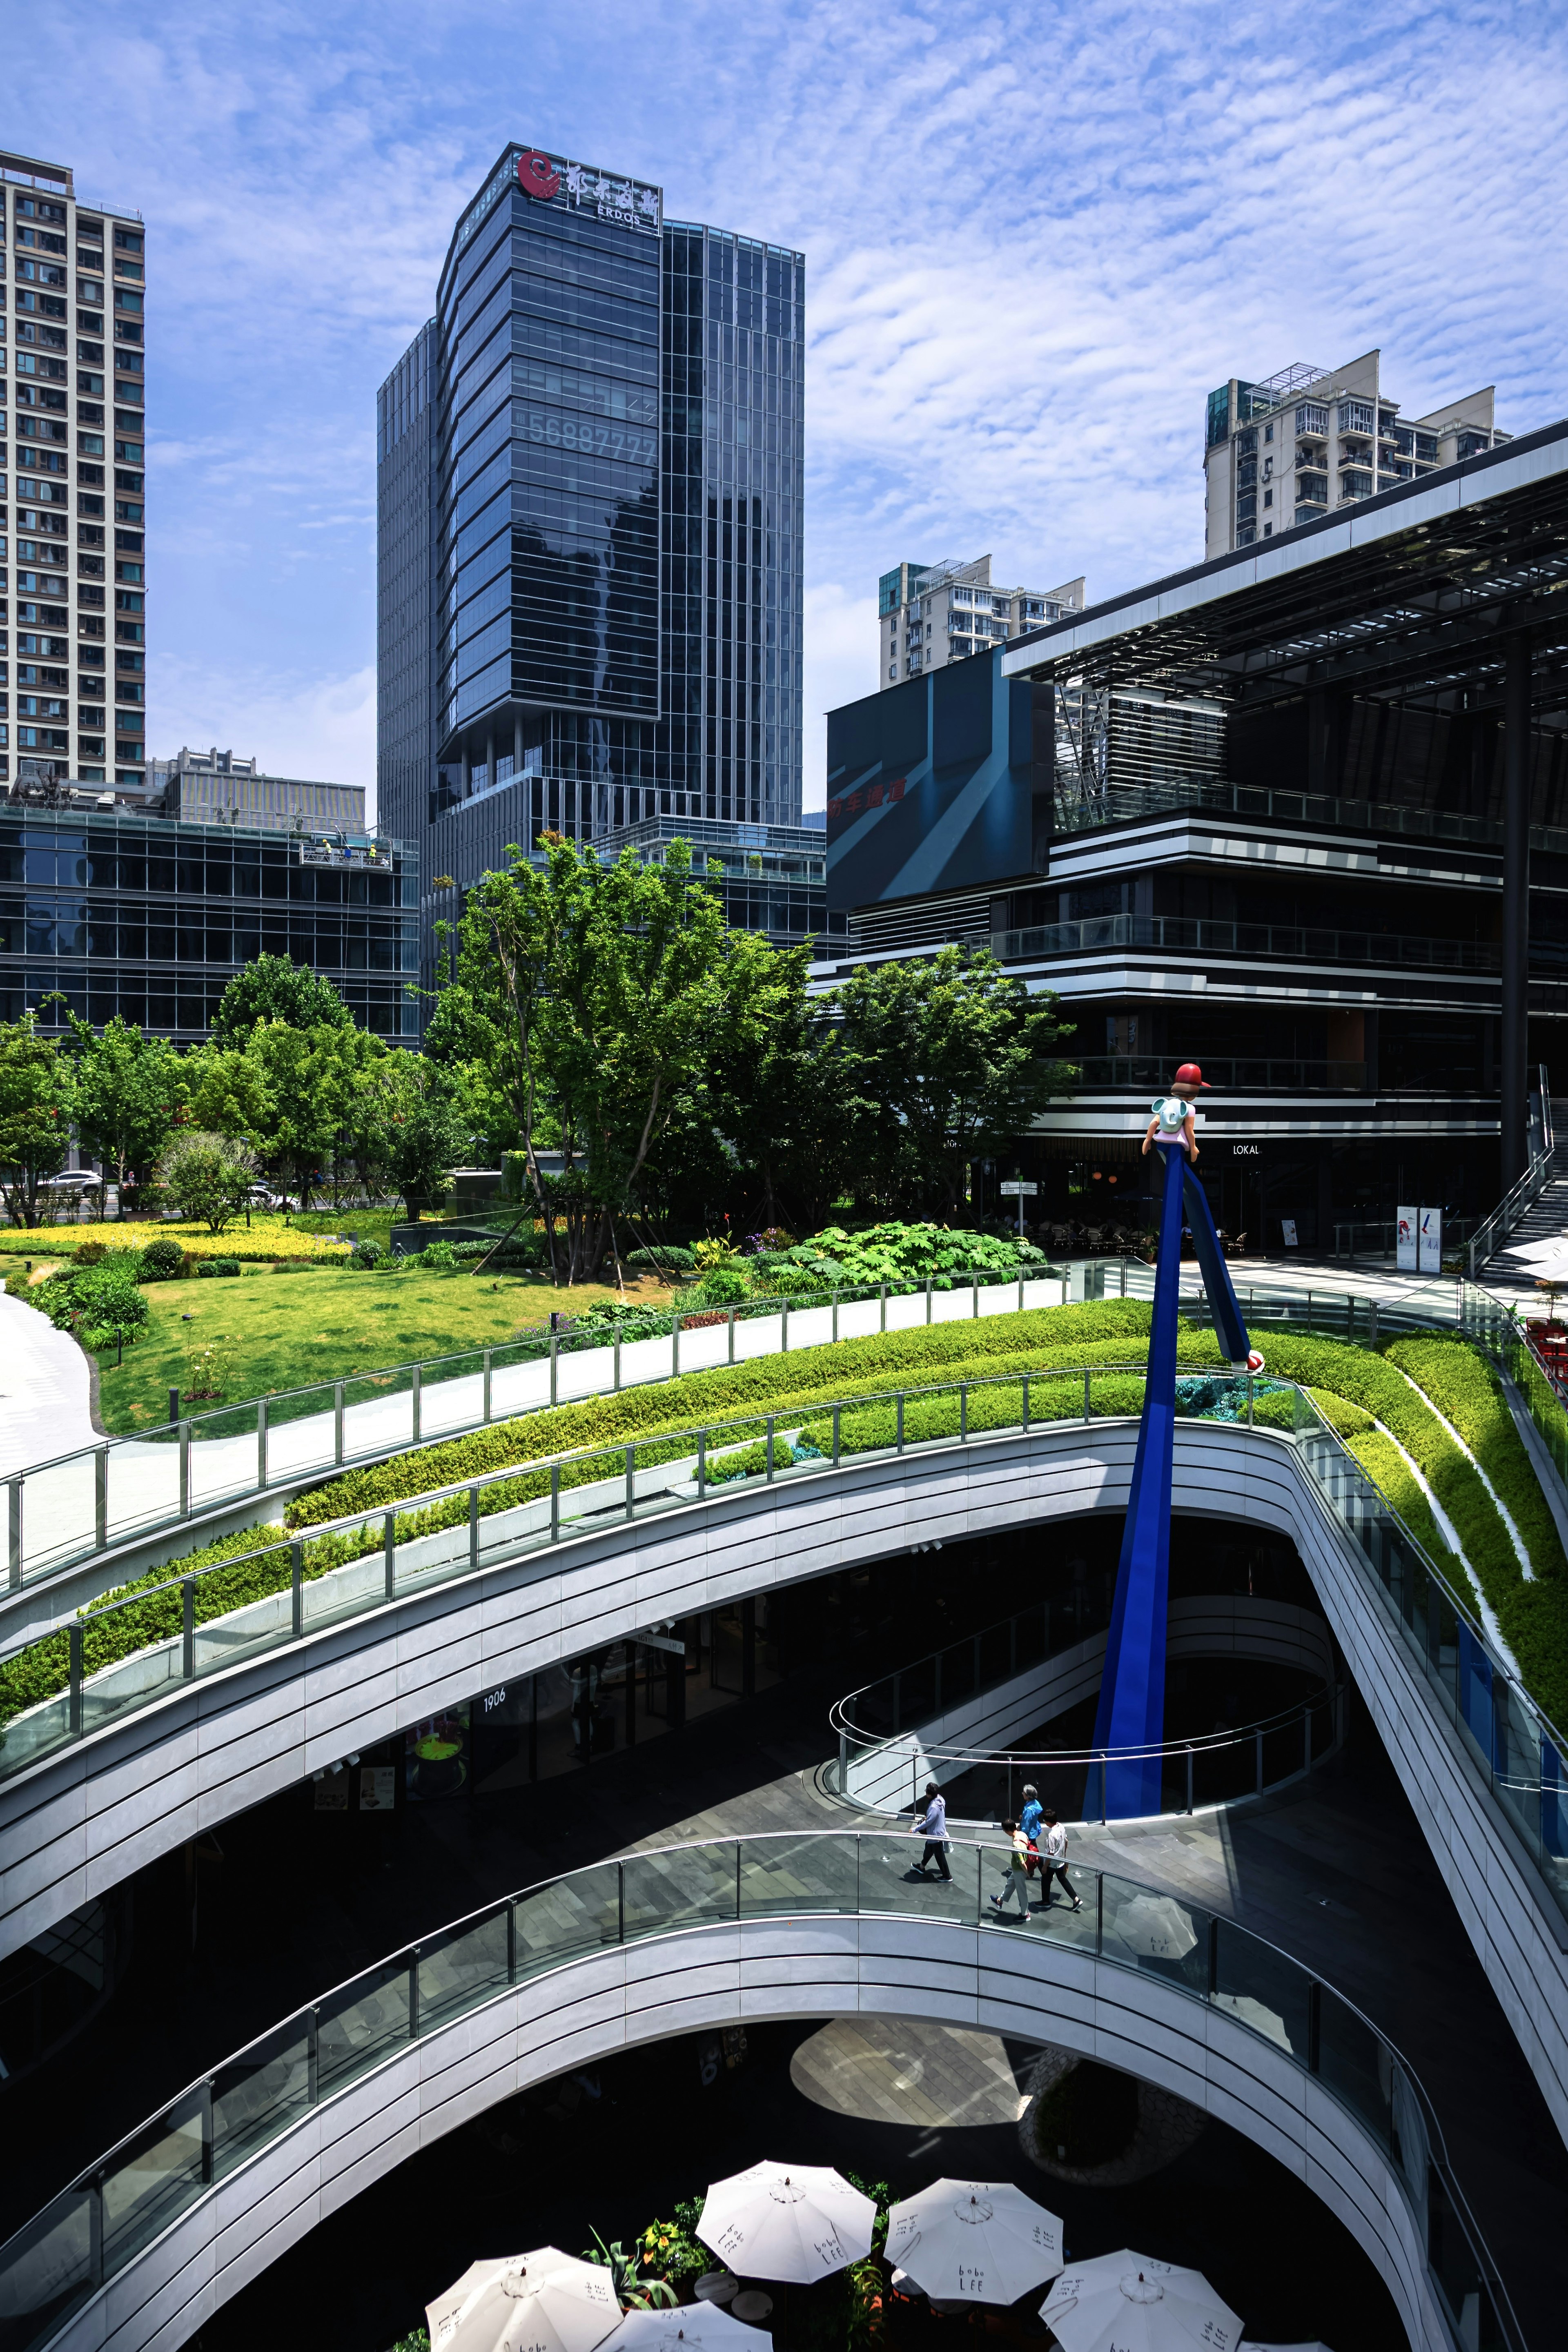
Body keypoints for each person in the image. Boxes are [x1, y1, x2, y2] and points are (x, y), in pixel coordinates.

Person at [1141, 1062, 1210, 1165]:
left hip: (1161, 1142)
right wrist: (1193, 1147)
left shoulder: (1167, 1103)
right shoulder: (1189, 1108)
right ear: (1194, 1089)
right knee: (1175, 1175)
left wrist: (1148, 1140)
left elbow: (1155, 1122)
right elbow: (1189, 1130)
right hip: (1178, 1144)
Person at [1038, 1809, 1083, 1911]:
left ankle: (1046, 1902)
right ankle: (1076, 1900)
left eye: (1045, 1821)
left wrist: (1045, 1866)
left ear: (1049, 1822)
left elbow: (1051, 1853)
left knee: (1046, 1881)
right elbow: (1066, 1841)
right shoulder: (1061, 1827)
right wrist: (1065, 1856)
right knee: (1063, 1879)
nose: (1044, 1822)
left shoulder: (1052, 1835)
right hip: (1061, 1860)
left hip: (1052, 1863)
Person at [990, 1819, 1031, 1918]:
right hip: (1017, 1869)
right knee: (1010, 1885)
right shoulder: (1022, 1834)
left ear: (1008, 1830)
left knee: (1022, 1893)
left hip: (1020, 1870)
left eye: (1005, 1831)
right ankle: (1000, 1901)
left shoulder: (1016, 1844)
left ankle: (1025, 1915)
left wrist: (1028, 1873)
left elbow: (1021, 1862)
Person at [911, 1783, 951, 1881]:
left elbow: (928, 1822)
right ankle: (921, 1867)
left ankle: (947, 1876)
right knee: (929, 1850)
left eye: (926, 1792)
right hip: (939, 1832)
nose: (925, 1793)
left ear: (930, 1794)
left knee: (940, 1856)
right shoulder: (940, 1799)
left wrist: (916, 1829)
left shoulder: (934, 1807)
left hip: (935, 1835)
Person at [1019, 1783, 1043, 1878]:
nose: (1023, 1794)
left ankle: (1044, 1871)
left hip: (1029, 1835)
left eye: (1024, 1793)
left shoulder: (1029, 1809)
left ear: (1028, 1796)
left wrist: (1021, 1834)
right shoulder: (1035, 1803)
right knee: (1033, 1852)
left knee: (1033, 1854)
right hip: (1033, 1832)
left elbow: (1026, 1825)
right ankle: (1031, 1871)